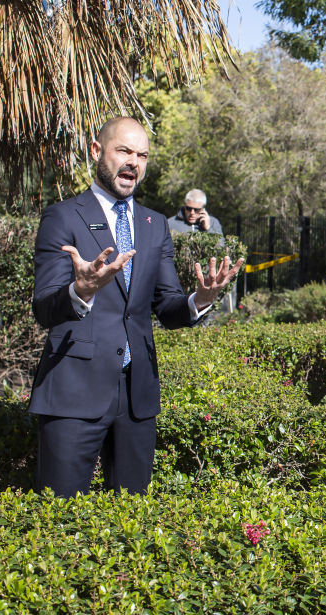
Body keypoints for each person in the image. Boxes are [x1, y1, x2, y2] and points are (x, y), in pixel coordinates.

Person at [30, 117, 243, 497]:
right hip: (73, 394)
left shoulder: (154, 223)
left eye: (142, 155)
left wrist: (202, 300)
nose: (134, 162)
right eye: (124, 151)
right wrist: (81, 291)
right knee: (58, 519)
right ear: (97, 152)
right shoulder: (62, 216)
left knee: (133, 525)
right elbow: (44, 308)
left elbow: (168, 306)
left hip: (137, 396)